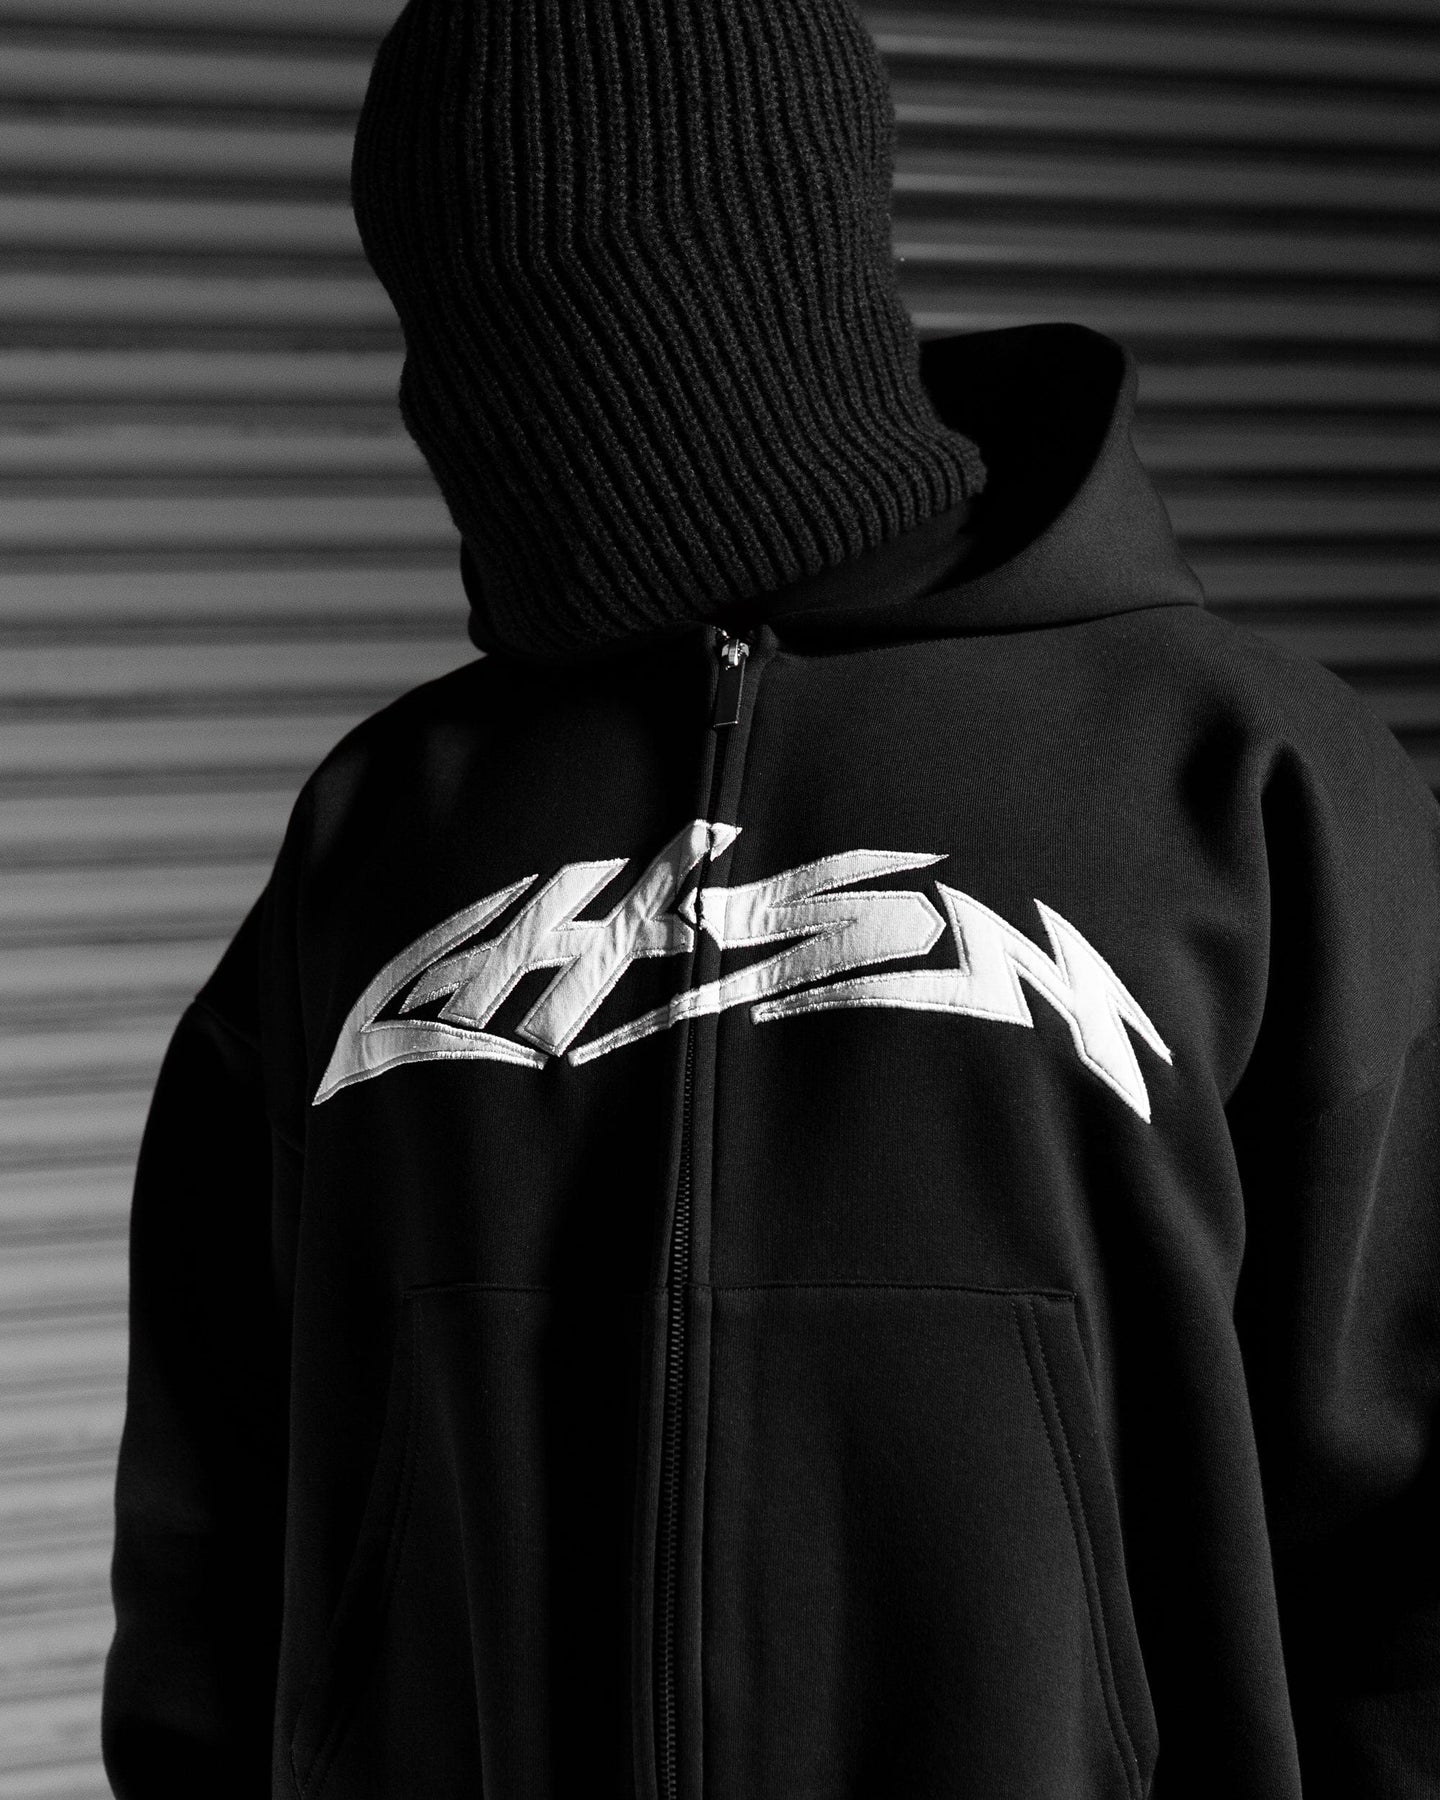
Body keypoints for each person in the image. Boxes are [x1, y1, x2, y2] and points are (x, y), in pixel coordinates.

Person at [101, 1, 1440, 1795]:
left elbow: (1405, 1530)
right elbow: (217, 1520)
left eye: (546, 303)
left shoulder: (1244, 781)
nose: (469, 403)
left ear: (740, 280)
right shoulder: (384, 824)